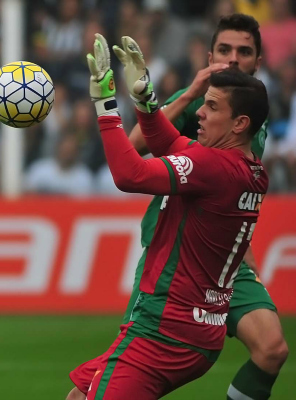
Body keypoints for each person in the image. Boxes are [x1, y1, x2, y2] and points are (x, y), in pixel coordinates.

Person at [66, 33, 269, 399]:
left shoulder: (213, 167)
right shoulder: (247, 169)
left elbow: (131, 175)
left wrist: (105, 105)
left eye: (211, 107)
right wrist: (145, 98)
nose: (200, 113)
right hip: (200, 331)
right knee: (79, 395)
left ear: (239, 124)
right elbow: (168, 142)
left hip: (163, 331)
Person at [126, 14, 288, 400]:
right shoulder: (198, 100)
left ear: (258, 63)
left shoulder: (253, 113)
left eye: (244, 52)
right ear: (209, 55)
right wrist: (187, 94)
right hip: (175, 257)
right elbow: (134, 145)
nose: (233, 59)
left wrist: (243, 249)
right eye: (225, 50)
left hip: (226, 261)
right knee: (137, 371)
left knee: (272, 349)